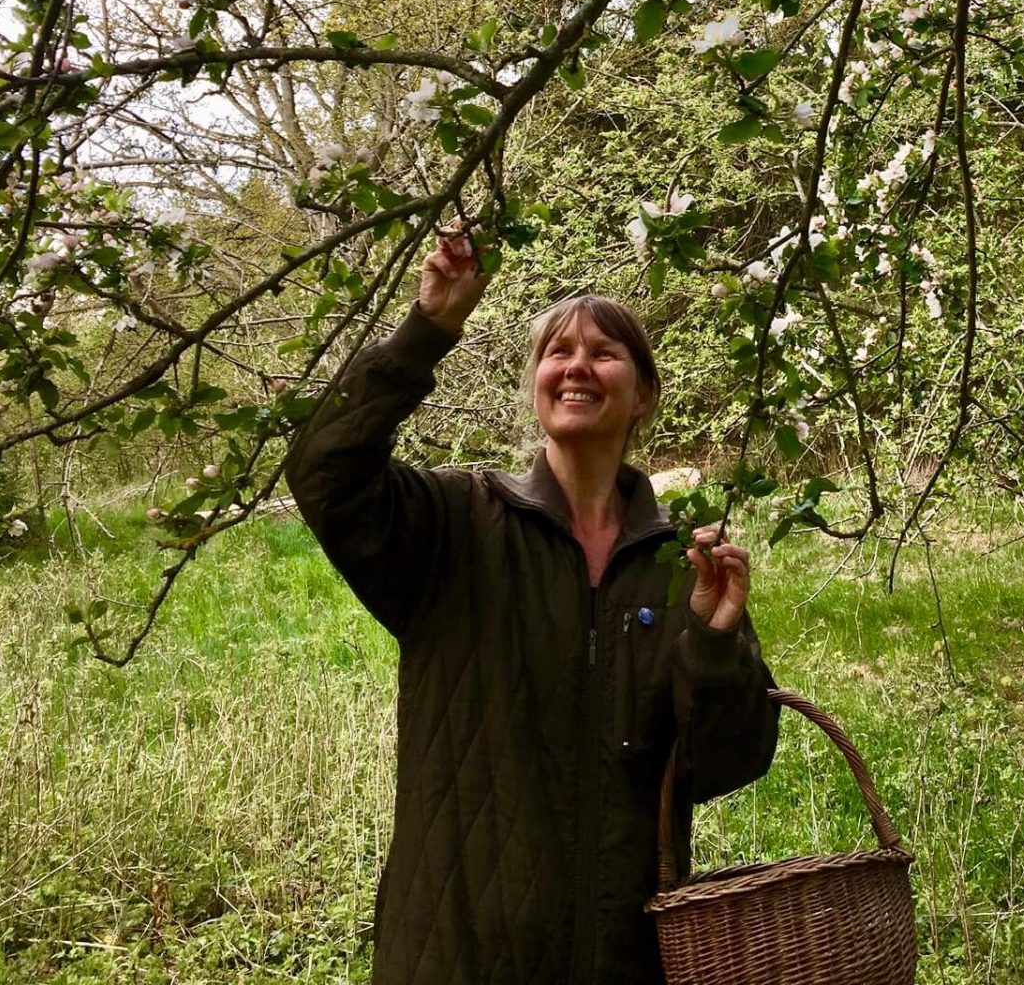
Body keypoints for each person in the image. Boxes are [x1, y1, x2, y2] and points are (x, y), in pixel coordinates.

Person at [284, 232, 779, 985]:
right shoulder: (455, 523)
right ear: (537, 385)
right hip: (460, 952)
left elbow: (725, 764)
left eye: (604, 351)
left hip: (628, 957)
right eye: (559, 352)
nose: (578, 364)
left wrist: (714, 643)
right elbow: (325, 473)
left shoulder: (682, 565)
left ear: (642, 394)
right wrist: (427, 328)